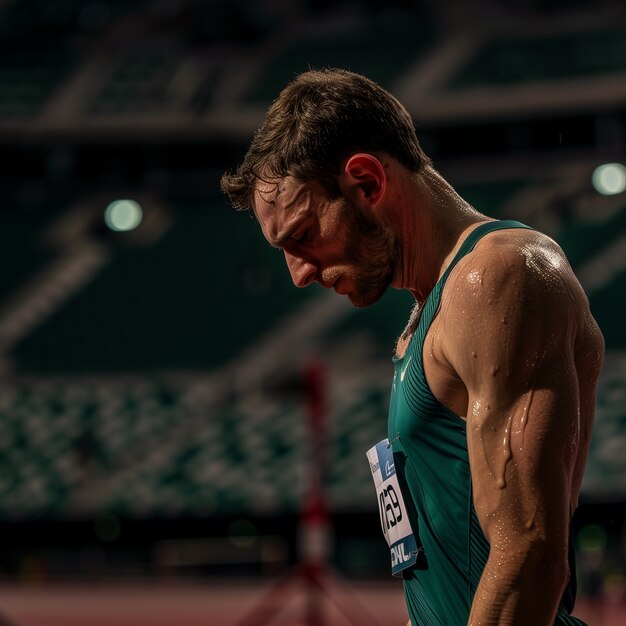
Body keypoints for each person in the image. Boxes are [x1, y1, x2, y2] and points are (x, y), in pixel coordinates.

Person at [221, 68, 604, 626]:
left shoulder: (495, 277)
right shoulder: (435, 307)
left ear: (368, 182)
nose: (299, 273)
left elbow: (529, 554)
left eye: (302, 234)